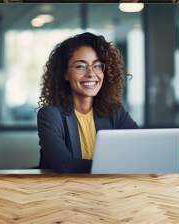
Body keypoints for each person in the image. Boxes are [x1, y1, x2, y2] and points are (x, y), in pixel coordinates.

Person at [37, 32, 138, 173]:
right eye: (80, 66)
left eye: (97, 66)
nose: (91, 73)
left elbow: (140, 150)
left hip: (108, 189)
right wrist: (115, 165)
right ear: (65, 73)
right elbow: (63, 165)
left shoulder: (115, 111)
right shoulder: (50, 115)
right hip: (65, 191)